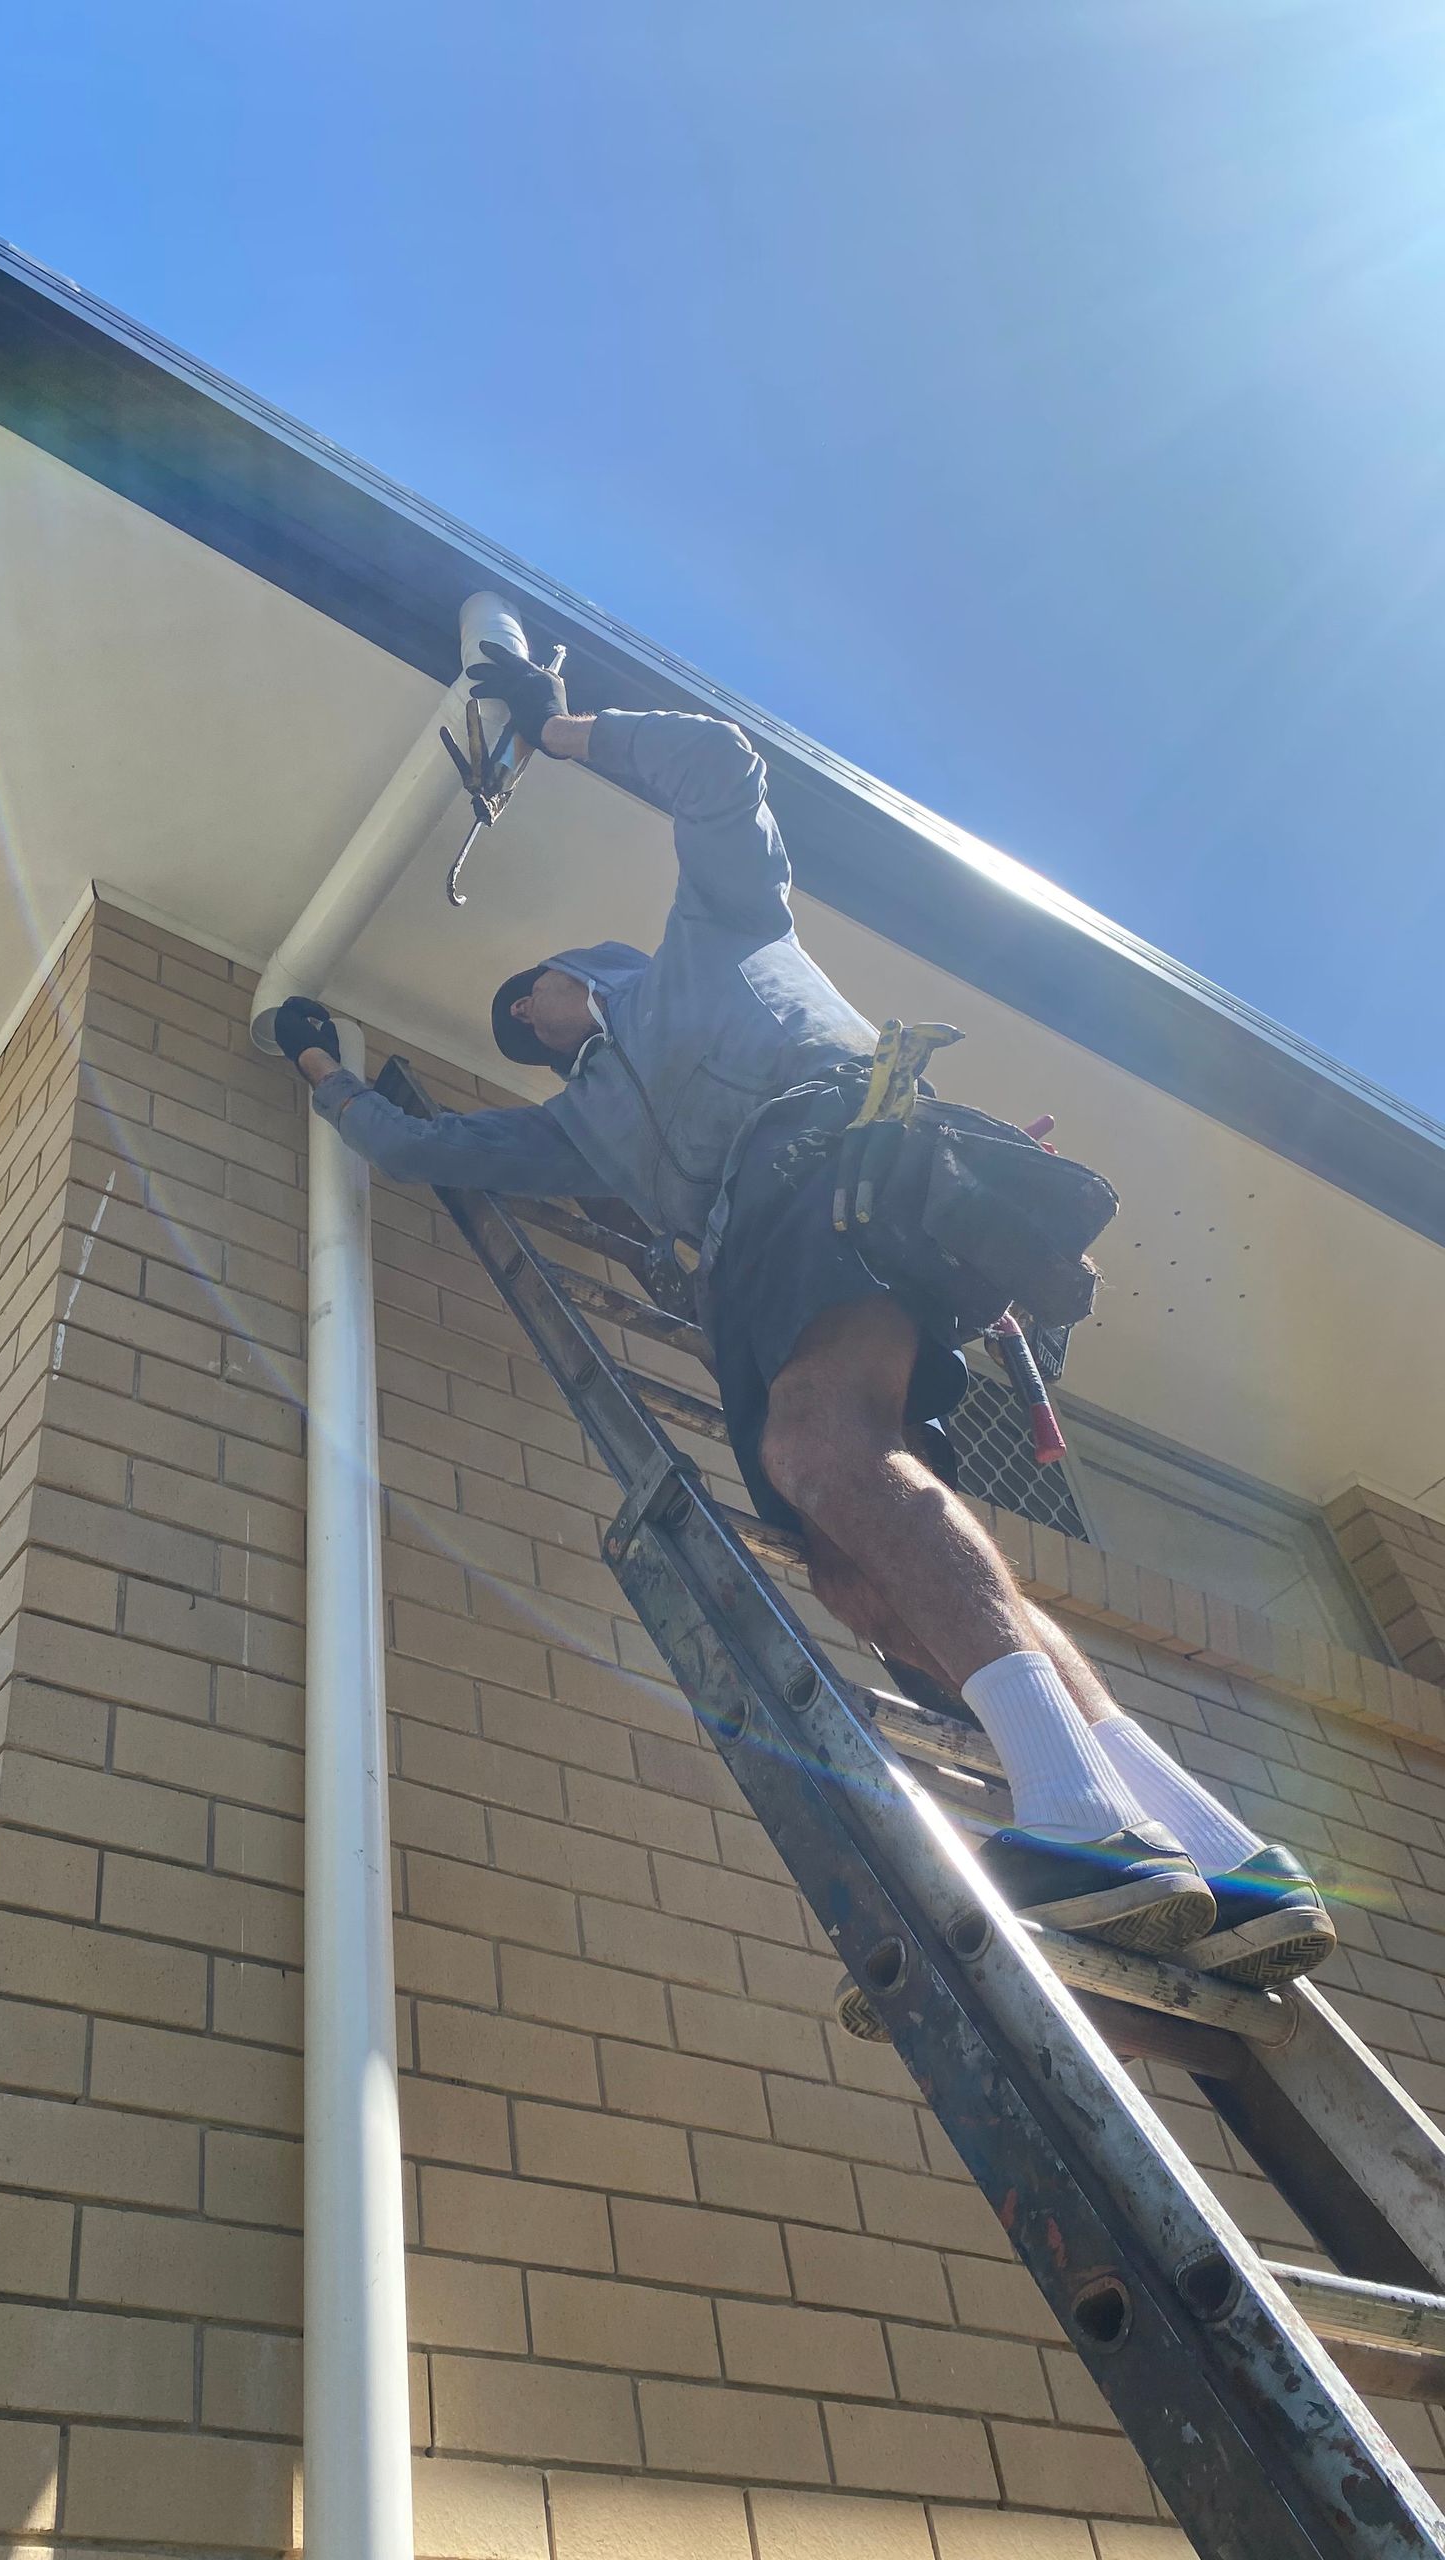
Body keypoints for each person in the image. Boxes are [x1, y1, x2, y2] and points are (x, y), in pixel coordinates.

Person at [271, 651, 1334, 1988]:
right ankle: (1217, 1848)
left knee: (824, 1452)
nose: (520, 1026)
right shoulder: (588, 1127)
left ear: (570, 973)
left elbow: (721, 775)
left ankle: (1084, 1823)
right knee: (859, 1565)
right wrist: (319, 1063)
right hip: (759, 1271)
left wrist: (558, 726)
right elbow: (428, 1153)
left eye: (523, 999)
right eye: (514, 1032)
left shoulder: (711, 945)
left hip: (833, 1168)